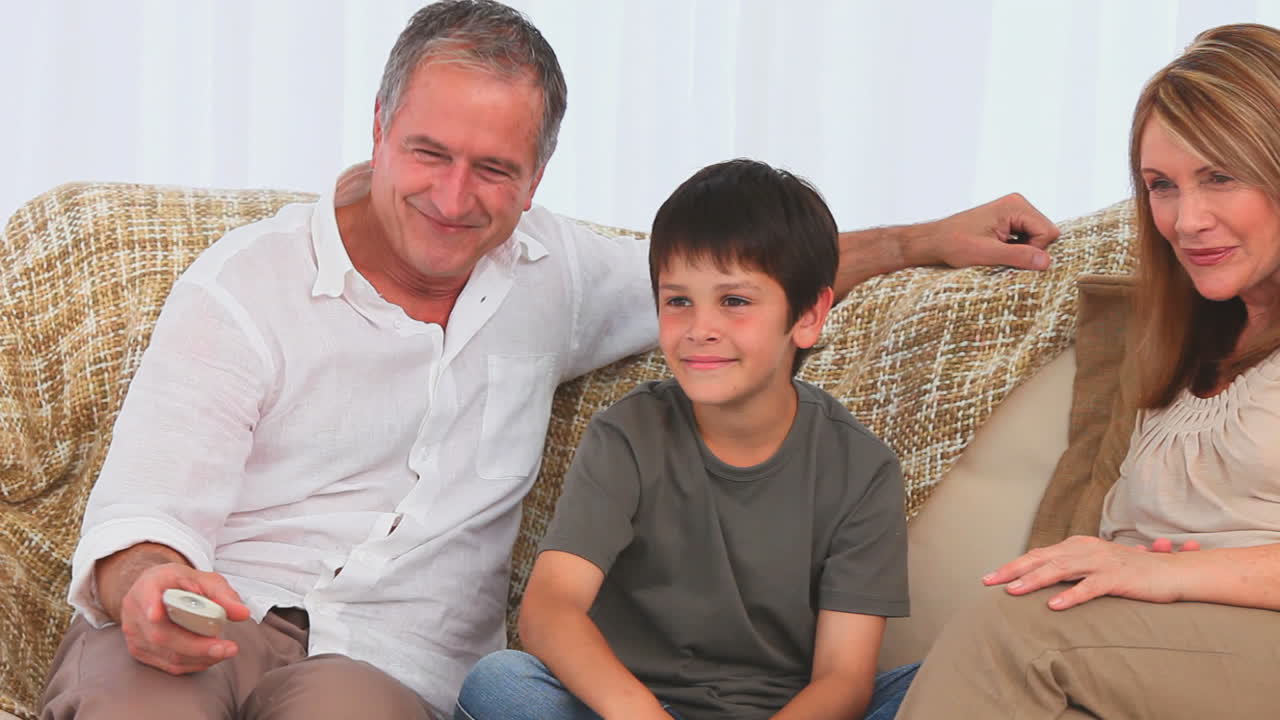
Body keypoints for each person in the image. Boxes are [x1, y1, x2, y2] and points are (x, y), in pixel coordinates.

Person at [39, 2, 1057, 719]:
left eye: (493, 169)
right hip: (211, 621)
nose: (452, 198)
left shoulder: (554, 273)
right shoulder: (242, 288)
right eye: (430, 154)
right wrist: (146, 584)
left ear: (536, 179)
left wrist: (918, 238)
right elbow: (143, 518)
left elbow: (737, 274)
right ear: (380, 130)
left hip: (378, 664)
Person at [897, 23, 1280, 719]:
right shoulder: (1183, 345)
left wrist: (1165, 574)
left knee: (1010, 633)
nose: (1188, 219)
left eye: (1220, 177)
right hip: (1163, 652)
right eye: (1161, 186)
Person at [456, 158, 914, 720]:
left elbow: (843, 680)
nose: (701, 328)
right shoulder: (626, 435)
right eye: (678, 301)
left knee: (929, 686)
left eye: (735, 301)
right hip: (627, 708)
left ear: (809, 315)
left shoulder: (862, 469)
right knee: (502, 683)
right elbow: (550, 609)